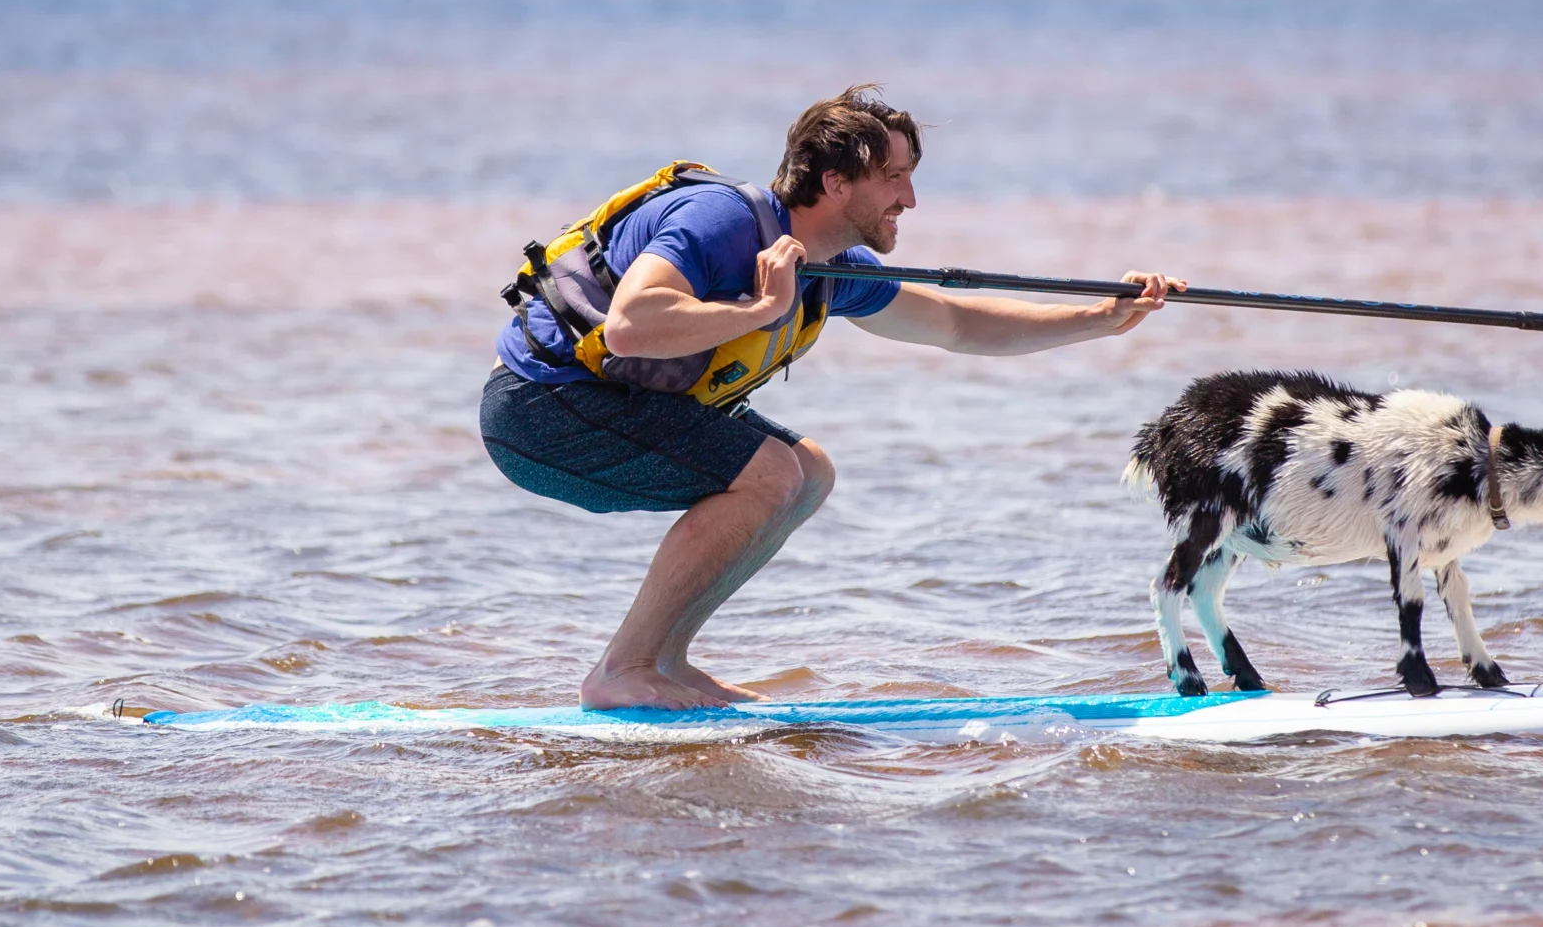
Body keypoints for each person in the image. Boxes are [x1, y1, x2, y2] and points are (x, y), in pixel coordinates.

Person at [478, 86, 1183, 709]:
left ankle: (664, 662)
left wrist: (1101, 319)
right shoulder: (722, 221)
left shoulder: (832, 268)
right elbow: (632, 327)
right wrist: (757, 312)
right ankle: (620, 670)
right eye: (895, 179)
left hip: (599, 410)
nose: (910, 199)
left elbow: (956, 323)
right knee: (769, 472)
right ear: (835, 182)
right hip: (540, 409)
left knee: (808, 470)